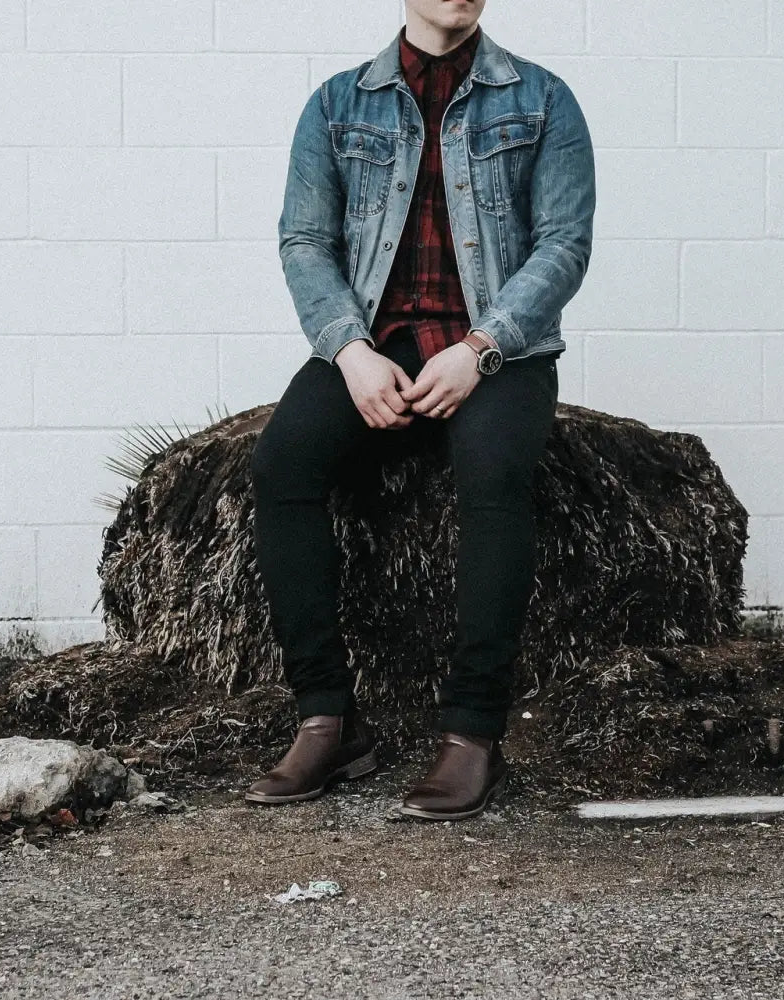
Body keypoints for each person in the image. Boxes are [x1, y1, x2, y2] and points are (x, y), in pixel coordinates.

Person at [245, 0, 595, 821]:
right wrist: (349, 350)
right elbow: (305, 240)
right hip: (375, 337)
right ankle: (327, 719)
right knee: (282, 467)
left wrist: (480, 350)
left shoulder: (543, 98)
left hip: (496, 347)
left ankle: (472, 735)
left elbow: (564, 244)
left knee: (494, 474)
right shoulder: (338, 102)